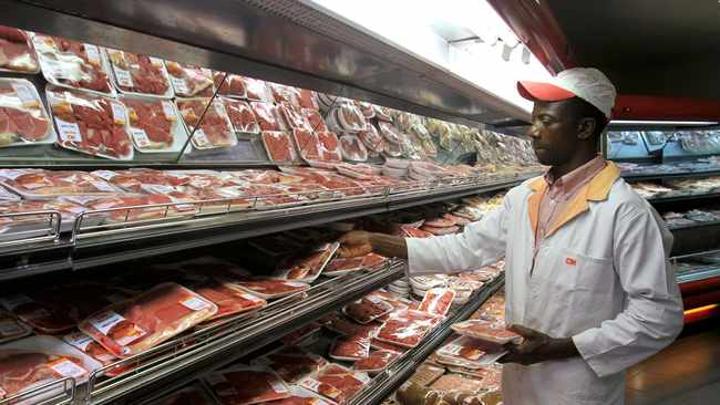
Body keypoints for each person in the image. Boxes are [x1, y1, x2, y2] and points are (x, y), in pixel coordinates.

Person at [340, 67, 684, 404]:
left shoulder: (626, 213)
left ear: (584, 128)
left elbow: (658, 316)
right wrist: (378, 242)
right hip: (519, 384)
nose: (533, 131)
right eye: (534, 120)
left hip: (576, 390)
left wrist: (562, 347)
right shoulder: (524, 197)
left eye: (546, 121)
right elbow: (466, 248)